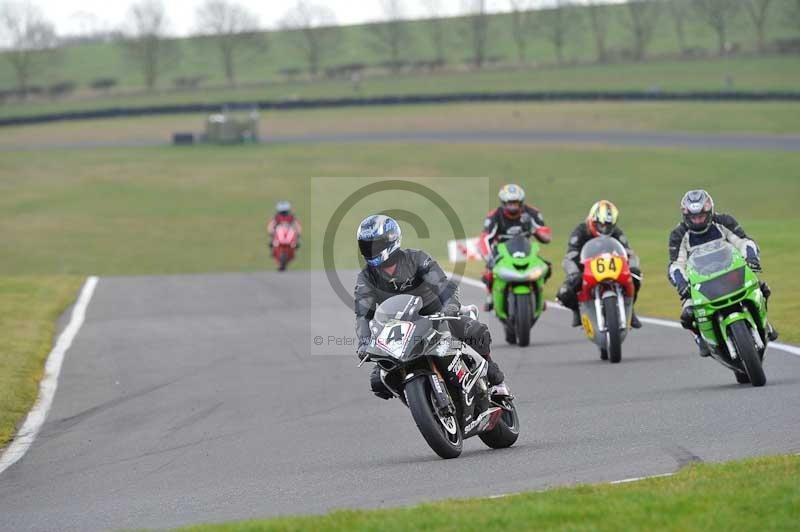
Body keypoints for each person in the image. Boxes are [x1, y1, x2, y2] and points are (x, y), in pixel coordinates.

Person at [354, 214, 506, 399]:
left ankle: (497, 382)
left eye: (375, 245)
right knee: (379, 381)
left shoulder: (416, 258)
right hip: (399, 330)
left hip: (436, 317)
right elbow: (363, 314)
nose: (371, 250)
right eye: (366, 246)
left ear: (391, 240)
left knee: (474, 332)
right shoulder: (366, 278)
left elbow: (442, 285)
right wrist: (364, 342)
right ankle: (420, 400)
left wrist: (450, 306)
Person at [667, 189, 778, 356]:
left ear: (709, 212)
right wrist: (682, 283)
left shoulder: (724, 221)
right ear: (686, 216)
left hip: (731, 273)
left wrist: (752, 257)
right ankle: (701, 338)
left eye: (701, 216)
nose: (697, 220)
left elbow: (743, 241)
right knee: (687, 315)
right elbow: (676, 264)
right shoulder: (679, 234)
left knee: (762, 288)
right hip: (700, 284)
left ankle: (765, 324)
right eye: (693, 217)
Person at [556, 200, 643, 329]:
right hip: (585, 268)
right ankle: (577, 311)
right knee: (564, 293)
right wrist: (574, 272)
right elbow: (570, 256)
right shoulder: (580, 231)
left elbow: (629, 252)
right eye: (600, 225)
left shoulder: (617, 232)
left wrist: (633, 266)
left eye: (608, 225)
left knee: (635, 277)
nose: (604, 228)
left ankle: (630, 309)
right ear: (592, 220)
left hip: (612, 266)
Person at [479, 184, 552, 311]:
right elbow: (485, 238)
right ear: (503, 203)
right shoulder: (494, 215)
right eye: (509, 203)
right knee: (488, 273)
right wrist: (488, 256)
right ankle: (490, 295)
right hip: (502, 250)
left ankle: (538, 293)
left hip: (526, 249)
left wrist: (533, 229)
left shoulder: (532, 212)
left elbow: (546, 237)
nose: (512, 207)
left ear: (521, 202)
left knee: (546, 267)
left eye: (515, 203)